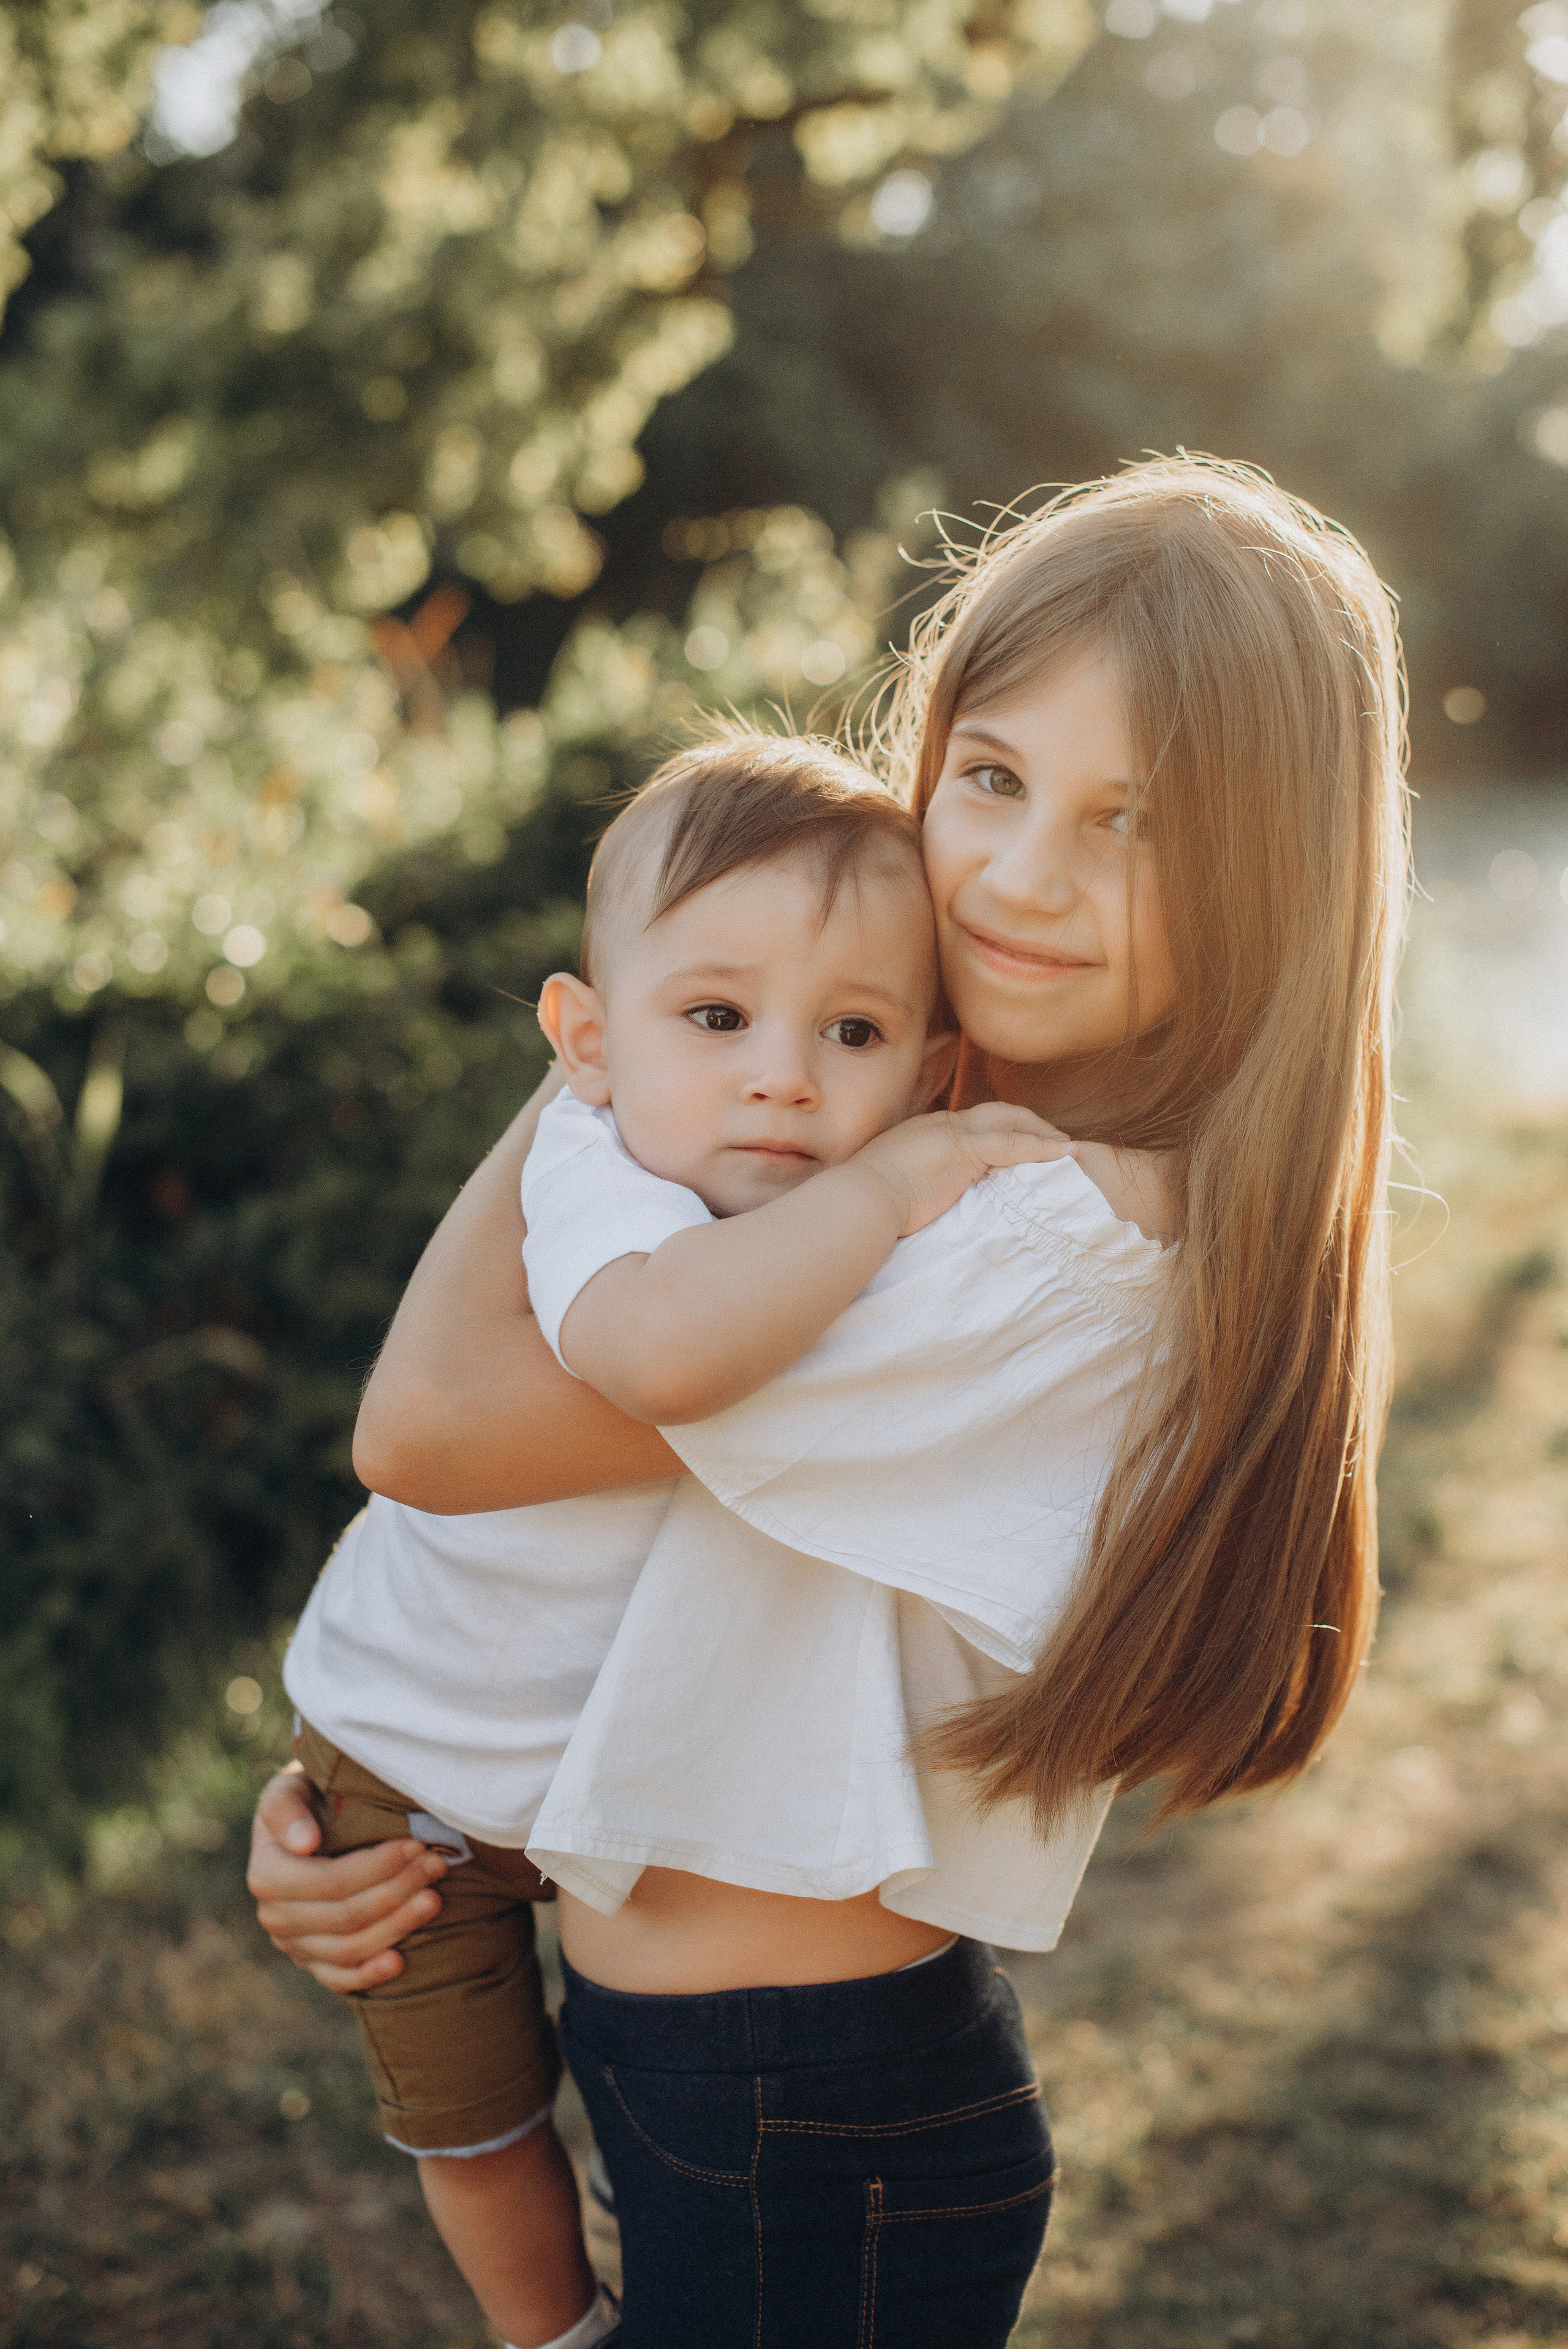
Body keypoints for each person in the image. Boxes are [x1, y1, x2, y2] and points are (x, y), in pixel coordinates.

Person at [249, 457, 1408, 2348]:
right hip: (725, 2070)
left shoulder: (1037, 1234)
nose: (1026, 876)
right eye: (994, 777)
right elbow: (660, 1611)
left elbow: (433, 1426)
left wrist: (622, 1053)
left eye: (1138, 821)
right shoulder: (914, 1134)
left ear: (1274, 878)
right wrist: (400, 1823)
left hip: (816, 2104)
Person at [275, 729, 1072, 2349]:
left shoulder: (866, 1198)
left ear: (933, 1062)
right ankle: (552, 2335)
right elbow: (660, 1352)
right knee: (481, 2122)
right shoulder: (606, 1178)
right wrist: (898, 1178)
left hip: (582, 1791)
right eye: (715, 1016)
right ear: (585, 1039)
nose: (781, 1073)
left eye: (849, 1031)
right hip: (407, 1759)